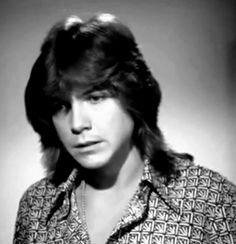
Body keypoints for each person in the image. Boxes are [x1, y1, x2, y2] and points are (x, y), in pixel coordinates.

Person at [13, 13, 236, 244]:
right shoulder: (36, 205)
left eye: (96, 97)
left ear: (134, 96)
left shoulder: (210, 199)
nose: (77, 123)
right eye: (61, 105)